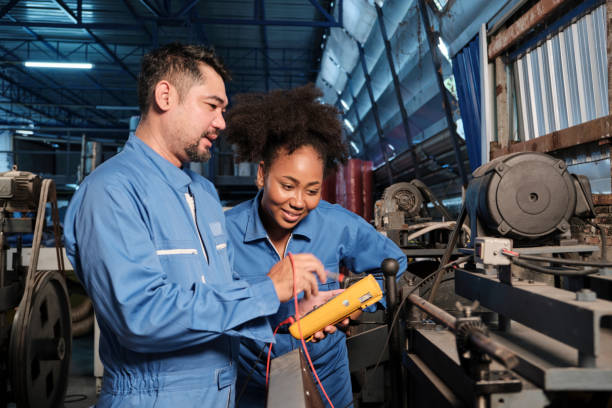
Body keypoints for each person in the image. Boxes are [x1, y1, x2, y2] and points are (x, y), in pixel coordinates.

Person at [63, 43, 331, 408]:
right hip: (152, 398)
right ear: (165, 95)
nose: (222, 122)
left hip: (220, 393)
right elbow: (139, 316)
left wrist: (294, 306)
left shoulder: (202, 193)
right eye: (212, 106)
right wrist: (268, 289)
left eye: (223, 110)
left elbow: (215, 292)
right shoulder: (111, 192)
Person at [224, 84, 408, 408]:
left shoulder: (336, 224)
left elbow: (394, 265)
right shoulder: (224, 234)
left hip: (326, 383)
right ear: (262, 175)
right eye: (287, 185)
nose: (298, 202)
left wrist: (349, 302)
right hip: (250, 388)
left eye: (312, 190)